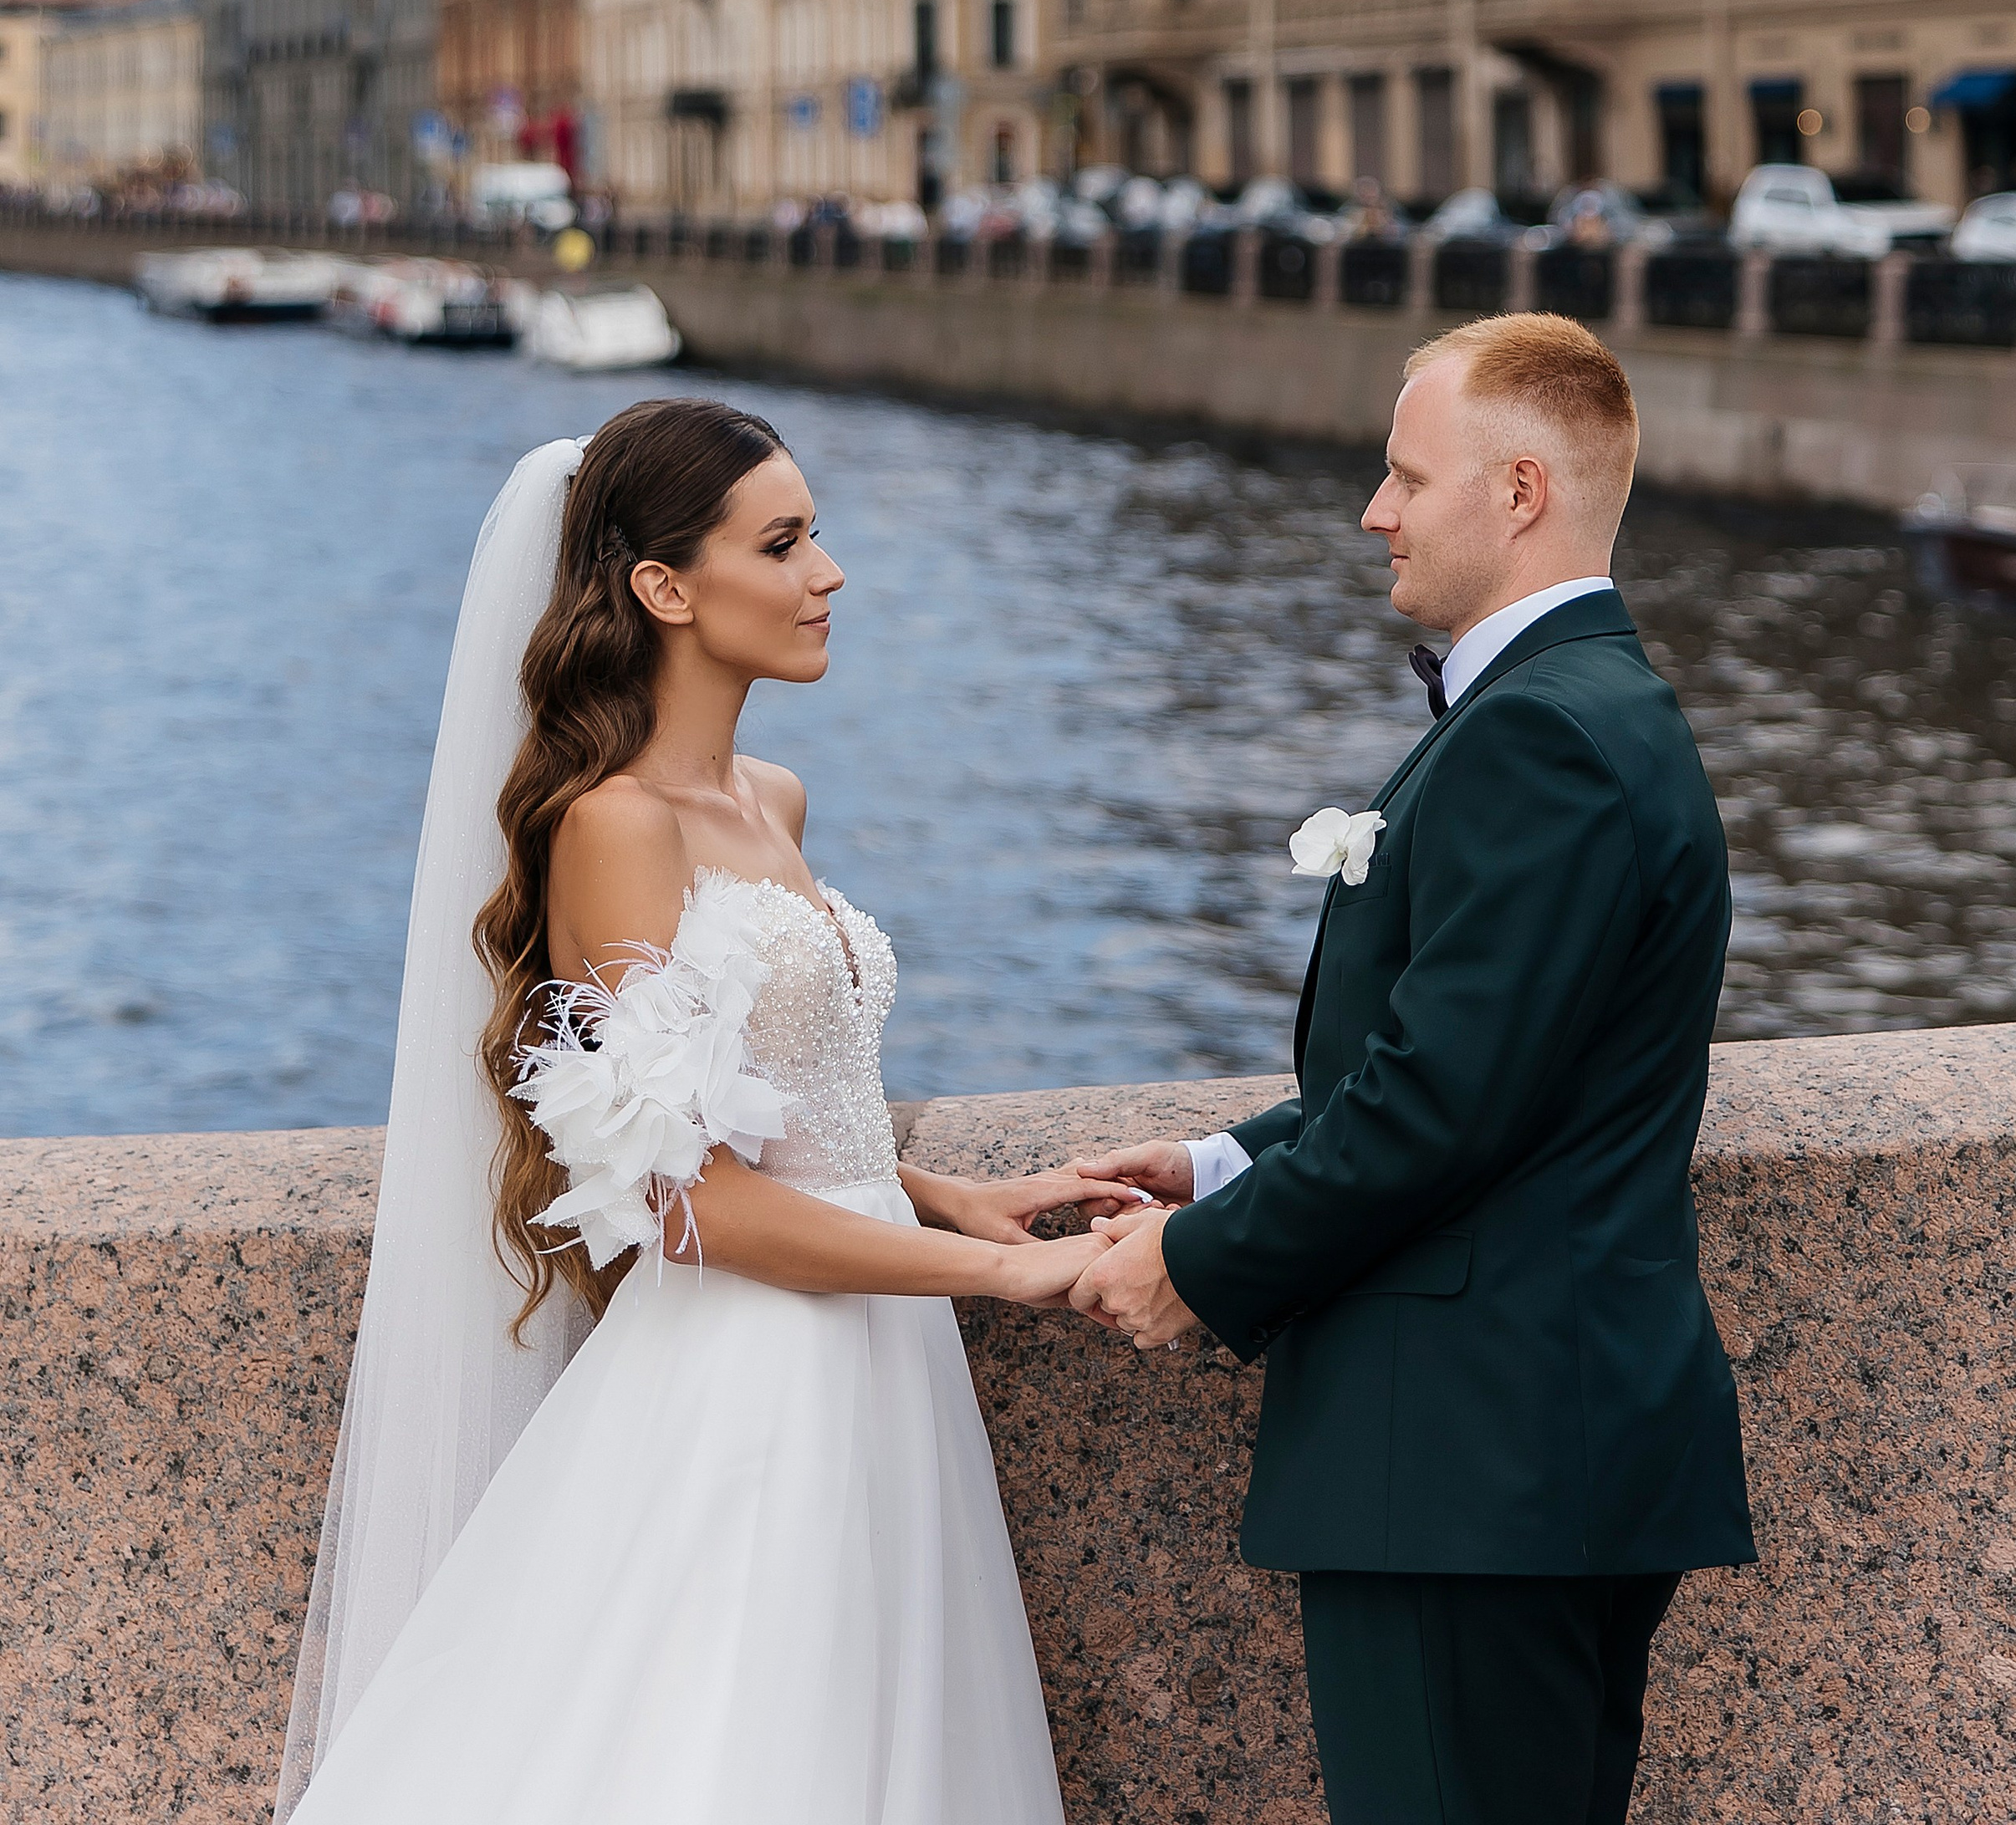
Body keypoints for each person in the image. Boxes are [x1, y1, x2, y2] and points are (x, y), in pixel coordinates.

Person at [278, 397, 1128, 1824]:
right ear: (665, 587)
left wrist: (948, 1196)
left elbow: (785, 1111)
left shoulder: (772, 798)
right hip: (752, 1371)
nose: (829, 572)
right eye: (782, 544)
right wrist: (999, 1272)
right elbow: (686, 1197)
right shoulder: (616, 825)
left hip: (878, 1342)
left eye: (817, 535)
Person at [1070, 312, 1754, 1825]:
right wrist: (1224, 1162)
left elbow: (1442, 1103)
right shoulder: (1591, 708)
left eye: (1405, 475)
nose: (1373, 511)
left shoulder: (1540, 738)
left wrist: (1197, 1260)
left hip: (1471, 1466)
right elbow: (1499, 1064)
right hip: (1536, 1455)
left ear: (1518, 492)